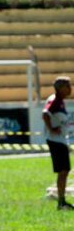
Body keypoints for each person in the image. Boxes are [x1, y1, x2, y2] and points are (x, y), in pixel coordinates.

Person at [43, 76, 74, 211]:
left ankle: (62, 201)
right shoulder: (55, 100)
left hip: (59, 140)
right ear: (61, 88)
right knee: (63, 171)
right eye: (68, 86)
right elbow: (45, 113)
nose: (70, 88)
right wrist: (51, 129)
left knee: (64, 171)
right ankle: (61, 202)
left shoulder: (59, 101)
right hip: (56, 141)